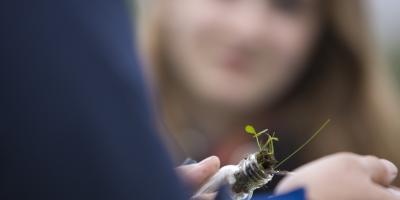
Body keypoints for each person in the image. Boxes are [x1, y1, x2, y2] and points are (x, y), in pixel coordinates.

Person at [136, 0, 400, 178]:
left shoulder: (373, 168)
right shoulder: (101, 142)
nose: (247, 30)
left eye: (287, 5)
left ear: (325, 34)